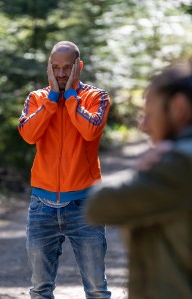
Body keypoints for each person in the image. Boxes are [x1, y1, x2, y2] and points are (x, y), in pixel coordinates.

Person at [86, 61, 192, 299]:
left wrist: (140, 170)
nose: (144, 126)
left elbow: (99, 205)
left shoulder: (181, 163)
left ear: (178, 107)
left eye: (150, 114)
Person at [18, 41, 112, 299]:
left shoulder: (96, 97)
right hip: (42, 207)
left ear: (78, 67)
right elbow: (28, 134)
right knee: (39, 290)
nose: (61, 74)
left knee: (96, 289)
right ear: (49, 67)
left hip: (85, 205)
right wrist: (51, 100)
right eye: (56, 68)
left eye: (67, 68)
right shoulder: (37, 98)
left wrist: (70, 97)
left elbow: (90, 130)